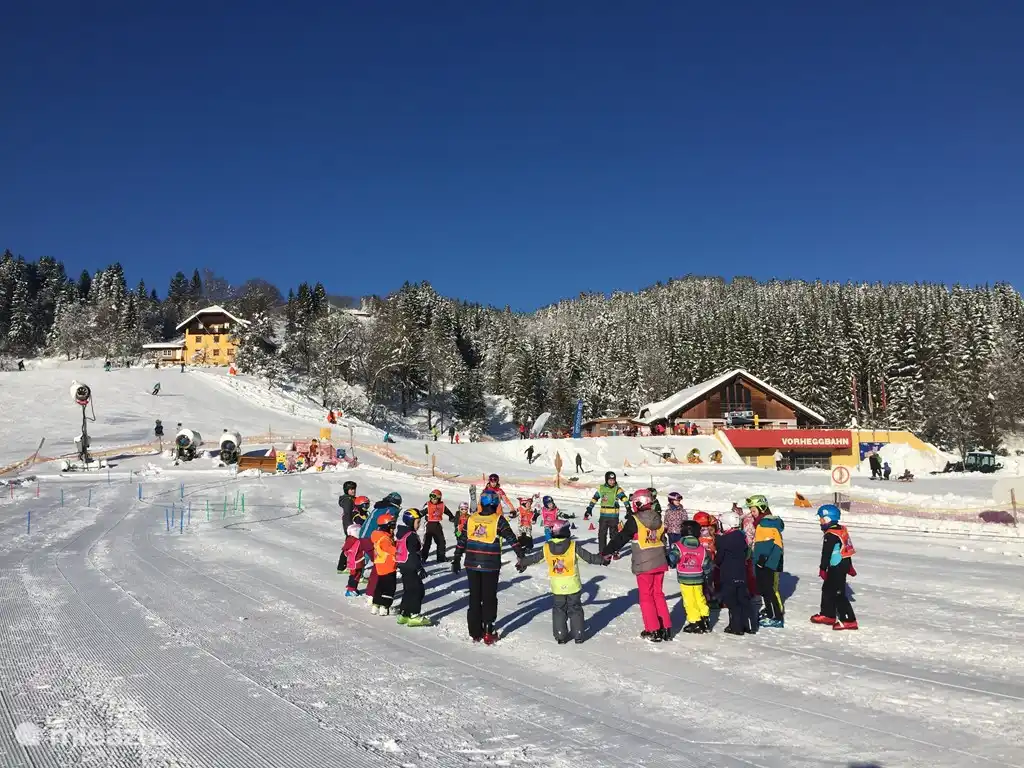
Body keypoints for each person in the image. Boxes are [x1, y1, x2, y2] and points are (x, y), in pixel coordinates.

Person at [451, 489, 524, 644]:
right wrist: (521, 555)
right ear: (495, 503)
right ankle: (488, 631)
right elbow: (511, 538)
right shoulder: (498, 520)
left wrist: (456, 558)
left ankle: (474, 631)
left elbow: (462, 540)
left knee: (474, 596)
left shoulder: (471, 519)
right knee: (489, 597)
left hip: (471, 563)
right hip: (490, 565)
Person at [516, 520, 606, 643]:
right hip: (573, 585)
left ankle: (560, 636)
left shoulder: (547, 547)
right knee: (575, 609)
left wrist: (522, 562)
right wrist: (602, 560)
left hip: (557, 586)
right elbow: (589, 558)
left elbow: (535, 558)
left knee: (559, 609)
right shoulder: (573, 546)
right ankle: (578, 634)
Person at [602, 489, 673, 642]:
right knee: (658, 594)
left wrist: (607, 550)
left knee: (646, 597)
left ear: (639, 502)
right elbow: (662, 538)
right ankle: (666, 626)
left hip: (644, 563)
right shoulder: (657, 517)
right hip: (660, 561)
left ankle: (653, 629)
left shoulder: (635, 520)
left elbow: (622, 537)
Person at [811, 505, 858, 630]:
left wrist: (822, 568)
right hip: (841, 564)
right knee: (827, 589)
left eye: (821, 518)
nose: (820, 521)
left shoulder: (831, 534)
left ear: (827, 519)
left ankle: (849, 619)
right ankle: (828, 614)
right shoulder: (841, 529)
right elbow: (846, 548)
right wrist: (849, 566)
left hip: (837, 566)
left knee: (838, 593)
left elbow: (826, 554)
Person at [715, 510, 757, 636]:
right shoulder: (741, 536)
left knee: (732, 601)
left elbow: (719, 558)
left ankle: (736, 627)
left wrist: (716, 562)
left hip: (728, 574)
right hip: (741, 572)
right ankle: (748, 625)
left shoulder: (724, 540)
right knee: (742, 599)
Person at [395, 508, 432, 626]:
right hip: (410, 565)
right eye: (417, 522)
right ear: (411, 522)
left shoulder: (402, 532)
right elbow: (413, 553)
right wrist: (419, 568)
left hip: (403, 565)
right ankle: (414, 615)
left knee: (408, 590)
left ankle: (404, 614)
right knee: (418, 590)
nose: (419, 524)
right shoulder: (411, 536)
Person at [674, 520, 712, 633]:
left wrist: (670, 560)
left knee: (689, 600)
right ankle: (705, 617)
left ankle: (695, 621)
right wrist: (706, 573)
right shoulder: (701, 548)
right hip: (698, 577)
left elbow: (674, 557)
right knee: (699, 597)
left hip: (685, 577)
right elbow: (706, 563)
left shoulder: (679, 546)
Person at [584, 471, 630, 554]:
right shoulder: (601, 489)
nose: (612, 482)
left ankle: (614, 551)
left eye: (613, 480)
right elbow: (595, 498)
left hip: (613, 516)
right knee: (602, 534)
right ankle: (602, 551)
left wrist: (628, 508)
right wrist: (589, 508)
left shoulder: (617, 489)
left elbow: (624, 498)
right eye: (610, 480)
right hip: (603, 516)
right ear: (606, 480)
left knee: (614, 535)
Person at [753, 510, 785, 628]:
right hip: (770, 563)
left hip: (766, 564)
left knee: (767, 590)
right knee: (765, 589)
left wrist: (761, 560)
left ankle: (775, 616)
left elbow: (767, 546)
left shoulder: (765, 526)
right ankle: (770, 612)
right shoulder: (771, 527)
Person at [370, 513, 398, 615]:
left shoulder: (380, 536)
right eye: (392, 526)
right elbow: (391, 549)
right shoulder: (385, 539)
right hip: (388, 566)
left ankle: (376, 604)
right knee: (389, 587)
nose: (393, 528)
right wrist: (400, 550)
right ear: (386, 526)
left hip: (381, 565)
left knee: (380, 585)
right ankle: (385, 606)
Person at [420, 489, 454, 563]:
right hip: (429, 525)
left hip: (437, 525)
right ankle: (423, 557)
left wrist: (451, 517)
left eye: (435, 498)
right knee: (427, 542)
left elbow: (447, 511)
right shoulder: (428, 505)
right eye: (431, 497)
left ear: (439, 498)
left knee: (441, 542)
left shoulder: (441, 505)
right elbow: (420, 513)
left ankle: (441, 558)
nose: (433, 500)